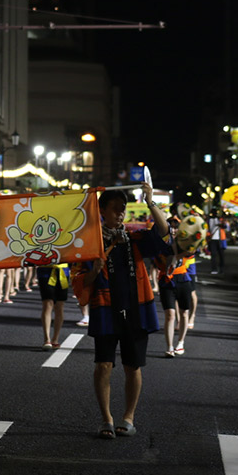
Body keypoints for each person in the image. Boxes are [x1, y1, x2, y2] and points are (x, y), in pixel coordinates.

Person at [82, 187, 173, 440]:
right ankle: (106, 418)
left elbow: (164, 232)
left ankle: (129, 417)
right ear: (101, 210)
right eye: (115, 209)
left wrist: (151, 202)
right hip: (105, 311)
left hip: (137, 309)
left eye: (123, 210)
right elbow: (81, 281)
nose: (120, 214)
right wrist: (95, 268)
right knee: (103, 366)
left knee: (132, 366)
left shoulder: (135, 238)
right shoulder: (90, 242)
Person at [38, 263, 70, 349]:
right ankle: (47, 339)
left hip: (63, 270)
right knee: (47, 304)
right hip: (45, 270)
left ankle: (55, 339)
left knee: (59, 306)